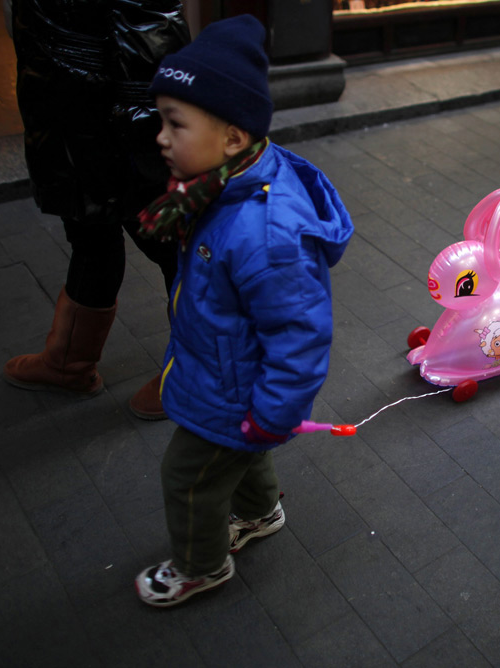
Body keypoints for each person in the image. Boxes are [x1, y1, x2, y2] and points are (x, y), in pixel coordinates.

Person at [132, 15, 354, 607]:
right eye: (162, 120)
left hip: (237, 391)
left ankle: (201, 566)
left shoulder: (265, 232)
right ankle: (259, 513)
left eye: (175, 124)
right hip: (223, 372)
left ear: (232, 137)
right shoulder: (219, 185)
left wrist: (271, 414)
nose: (161, 137)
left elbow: (301, 335)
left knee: (187, 478)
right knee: (237, 454)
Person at [3, 0, 190, 420]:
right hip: (67, 108)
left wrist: (154, 135)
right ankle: (68, 362)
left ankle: (200, 373)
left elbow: (153, 28)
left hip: (115, 117)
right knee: (91, 232)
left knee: (172, 244)